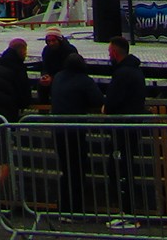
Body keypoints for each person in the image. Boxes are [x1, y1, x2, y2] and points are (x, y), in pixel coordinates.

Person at [50, 52, 105, 214]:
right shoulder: (84, 81)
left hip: (58, 129)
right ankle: (75, 208)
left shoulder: (58, 77)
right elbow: (97, 100)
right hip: (75, 130)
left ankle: (64, 207)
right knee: (77, 169)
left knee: (66, 169)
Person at [103, 36, 146, 218]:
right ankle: (127, 211)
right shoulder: (135, 71)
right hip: (132, 126)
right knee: (125, 168)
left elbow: (113, 100)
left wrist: (107, 106)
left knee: (121, 170)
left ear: (114, 52)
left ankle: (127, 212)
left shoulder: (122, 74)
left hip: (122, 128)